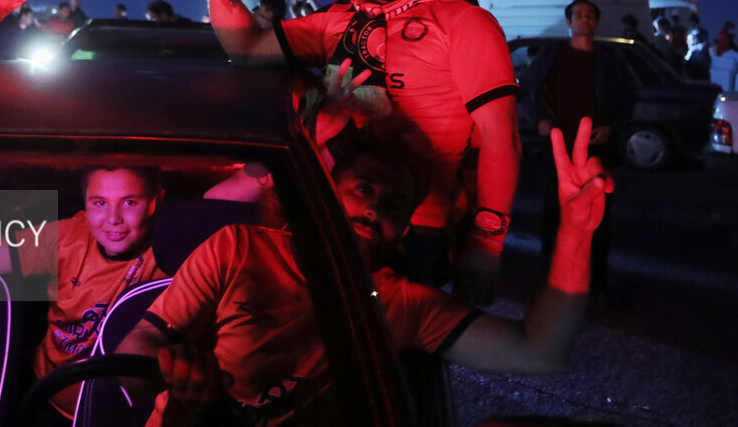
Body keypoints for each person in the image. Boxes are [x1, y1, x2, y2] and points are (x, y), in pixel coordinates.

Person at [164, 0, 520, 304]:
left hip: (417, 230)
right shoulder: (336, 20)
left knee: (394, 341)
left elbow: (501, 136)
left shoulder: (463, 21)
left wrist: (486, 245)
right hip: (329, 214)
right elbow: (245, 47)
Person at [118, 124, 611, 426]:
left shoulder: (405, 303)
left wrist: (575, 229)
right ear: (327, 195)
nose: (375, 208)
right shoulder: (239, 248)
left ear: (403, 231)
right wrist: (163, 368)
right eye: (364, 188)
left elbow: (541, 351)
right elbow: (139, 345)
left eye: (393, 205)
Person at [0, 166, 165, 426]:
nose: (113, 218)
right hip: (47, 393)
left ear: (156, 201)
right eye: (100, 203)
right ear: (85, 201)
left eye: (129, 202)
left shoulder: (169, 250)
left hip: (121, 410)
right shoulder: (68, 236)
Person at [522, 0, 634, 306]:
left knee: (598, 215)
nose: (584, 19)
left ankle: (595, 282)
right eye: (578, 15)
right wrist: (539, 120)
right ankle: (553, 278)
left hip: (597, 150)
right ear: (569, 22)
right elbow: (528, 92)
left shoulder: (610, 61)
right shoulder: (550, 56)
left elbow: (628, 99)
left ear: (596, 22)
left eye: (589, 15)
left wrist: (611, 127)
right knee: (553, 213)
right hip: (559, 148)